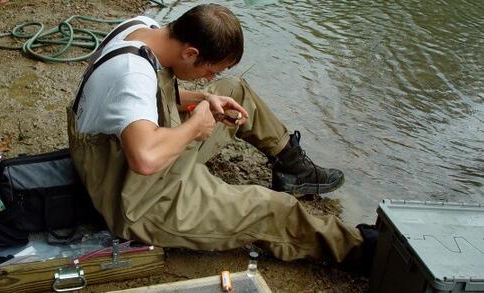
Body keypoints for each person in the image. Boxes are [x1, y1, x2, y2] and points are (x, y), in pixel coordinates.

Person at [68, 4, 376, 267]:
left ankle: (293, 167)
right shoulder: (132, 75)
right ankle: (361, 250)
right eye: (211, 71)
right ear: (190, 53)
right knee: (271, 209)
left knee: (235, 92)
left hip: (138, 157)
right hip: (137, 199)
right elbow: (145, 159)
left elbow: (146, 101)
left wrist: (203, 100)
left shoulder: (144, 29)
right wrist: (194, 127)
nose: (212, 78)